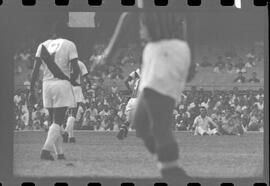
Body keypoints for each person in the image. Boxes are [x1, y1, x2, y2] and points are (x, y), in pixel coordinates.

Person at [91, 0, 195, 180]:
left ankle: (173, 174)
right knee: (140, 122)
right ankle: (172, 169)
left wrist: (106, 57)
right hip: (158, 51)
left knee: (160, 126)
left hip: (165, 50)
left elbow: (129, 16)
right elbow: (183, 20)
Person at [29, 21, 80, 160]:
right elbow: (76, 69)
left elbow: (35, 71)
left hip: (46, 85)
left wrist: (31, 90)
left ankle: (60, 154)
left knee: (53, 122)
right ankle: (46, 150)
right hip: (61, 83)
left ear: (53, 32)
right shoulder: (69, 44)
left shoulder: (42, 45)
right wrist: (72, 80)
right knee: (58, 121)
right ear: (65, 32)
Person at [63, 60, 88, 143]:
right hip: (76, 88)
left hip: (67, 88)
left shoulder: (65, 63)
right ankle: (66, 131)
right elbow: (85, 77)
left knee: (70, 112)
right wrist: (88, 85)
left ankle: (71, 136)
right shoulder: (80, 63)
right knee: (73, 113)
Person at [117, 68, 140, 140]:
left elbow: (126, 81)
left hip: (131, 100)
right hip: (139, 100)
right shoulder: (148, 75)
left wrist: (130, 90)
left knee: (128, 120)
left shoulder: (137, 72)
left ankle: (123, 129)